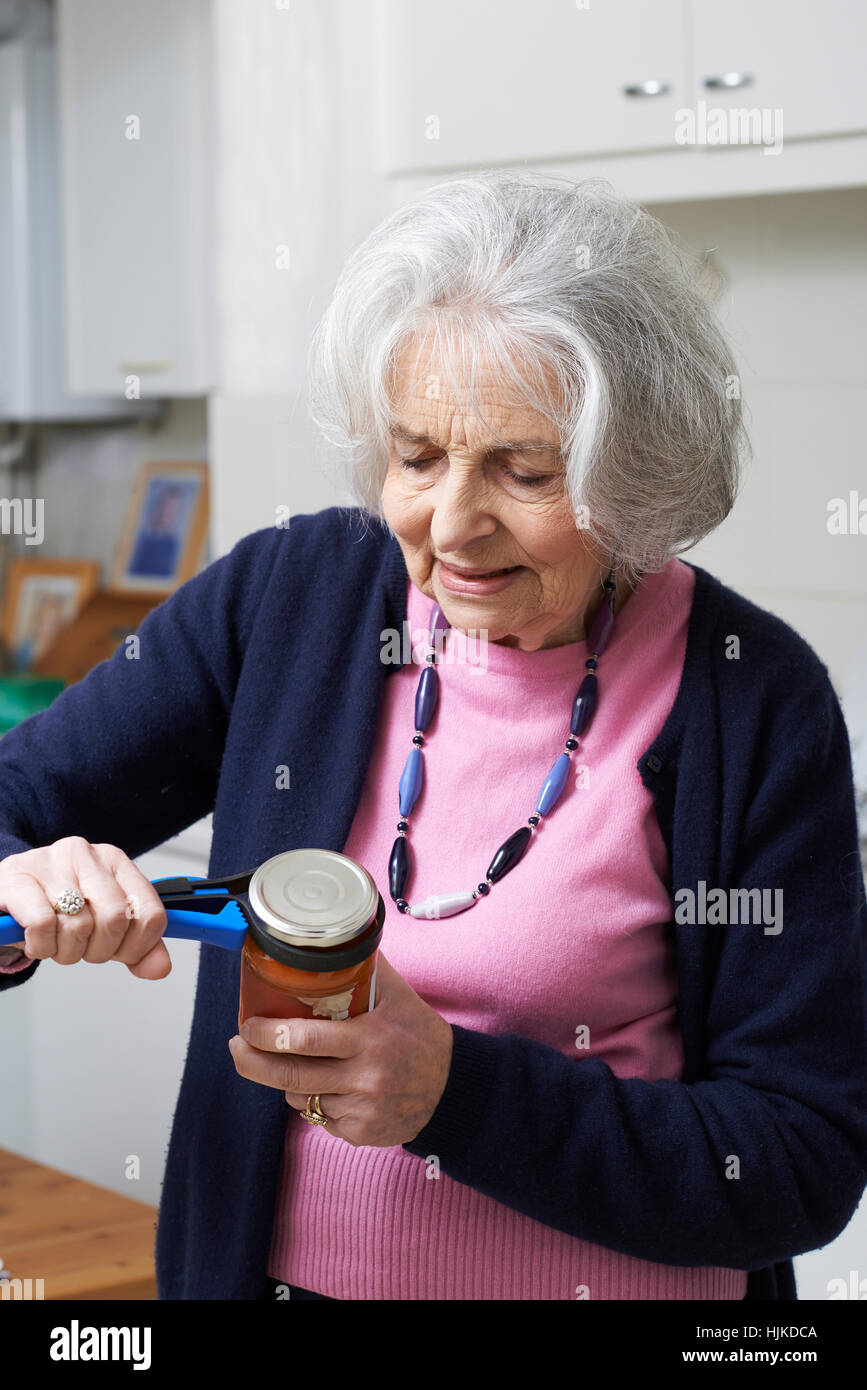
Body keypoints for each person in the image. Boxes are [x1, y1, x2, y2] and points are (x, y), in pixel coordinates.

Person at [1, 171, 865, 1301]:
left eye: (524, 470)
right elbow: (18, 805)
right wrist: (22, 894)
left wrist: (453, 1094)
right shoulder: (291, 596)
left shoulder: (752, 700)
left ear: (634, 467)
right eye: (415, 456)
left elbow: (799, 1159)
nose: (453, 523)